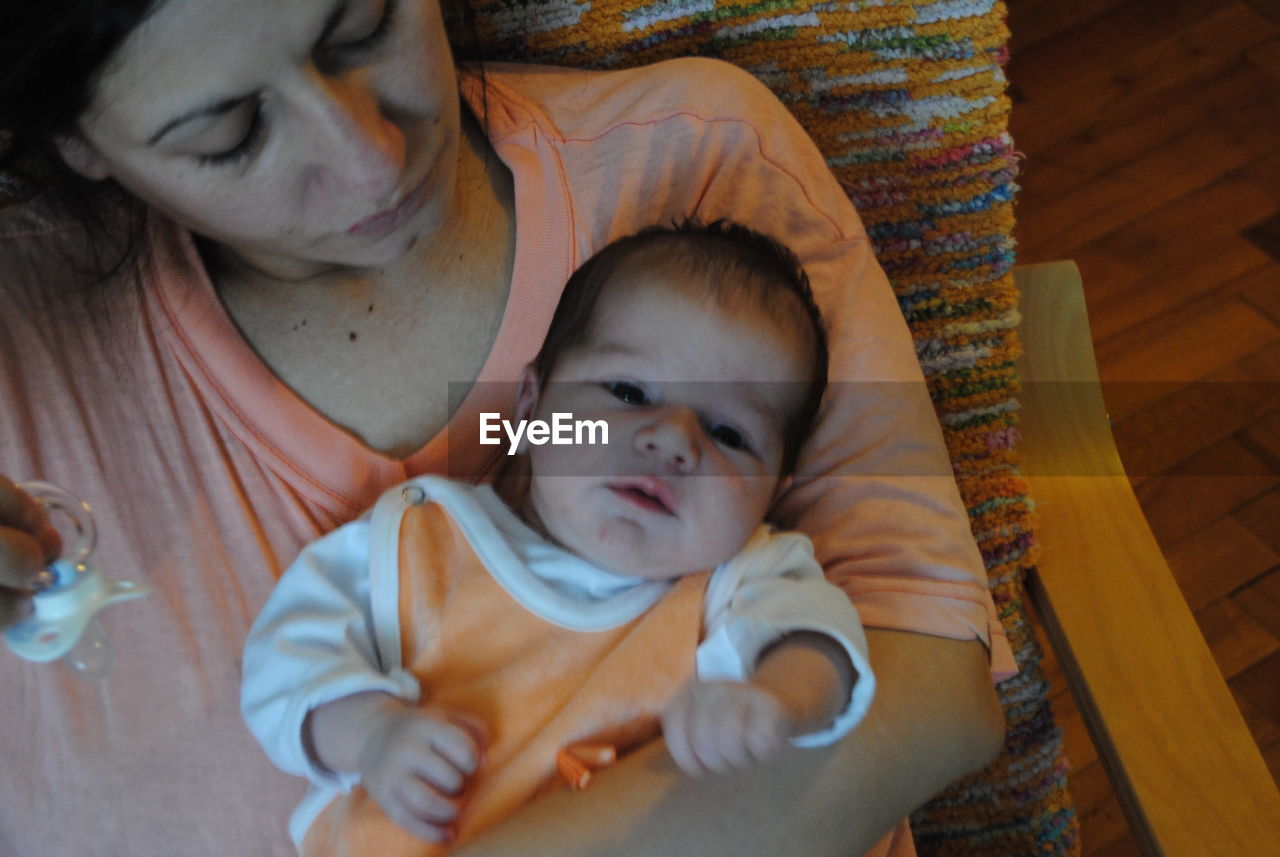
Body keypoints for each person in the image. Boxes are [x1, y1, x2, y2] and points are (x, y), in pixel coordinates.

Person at [0, 1, 1013, 855]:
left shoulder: (697, 190)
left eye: (364, 25)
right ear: (78, 141)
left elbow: (928, 676)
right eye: (230, 133)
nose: (370, 160)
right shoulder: (29, 347)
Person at [242, 221, 876, 855]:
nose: (672, 441)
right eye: (628, 392)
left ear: (775, 485)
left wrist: (777, 701)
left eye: (730, 434)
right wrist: (373, 734)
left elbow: (820, 644)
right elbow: (286, 661)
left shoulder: (738, 580)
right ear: (530, 405)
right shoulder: (421, 544)